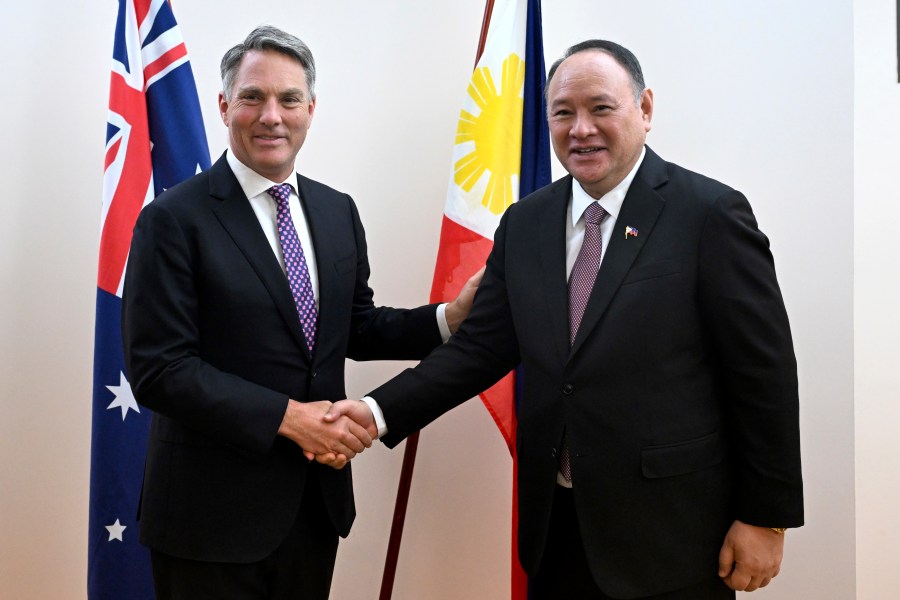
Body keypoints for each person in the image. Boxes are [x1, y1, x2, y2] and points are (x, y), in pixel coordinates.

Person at [325, 40, 804, 599]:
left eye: (601, 108)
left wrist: (766, 518)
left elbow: (762, 374)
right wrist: (375, 414)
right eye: (563, 112)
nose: (581, 129)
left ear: (644, 109)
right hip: (556, 526)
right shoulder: (526, 223)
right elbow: (479, 349)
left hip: (673, 533)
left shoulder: (709, 216)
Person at [121, 25, 477, 600]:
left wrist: (447, 320)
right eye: (252, 97)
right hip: (207, 519)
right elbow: (160, 369)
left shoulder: (337, 212)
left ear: (311, 109)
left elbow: (354, 326)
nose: (271, 116)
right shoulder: (173, 220)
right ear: (223, 106)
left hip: (313, 507)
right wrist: (289, 418)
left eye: (289, 99)